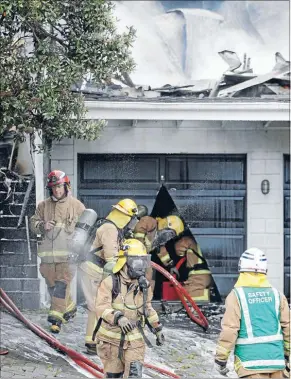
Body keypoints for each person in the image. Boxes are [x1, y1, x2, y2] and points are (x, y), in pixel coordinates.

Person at [215, 247, 290, 378]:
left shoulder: (236, 296)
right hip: (277, 362)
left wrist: (221, 359)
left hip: (249, 365)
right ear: (265, 270)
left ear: (241, 269)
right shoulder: (277, 295)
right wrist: (287, 354)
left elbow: (230, 329)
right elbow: (288, 328)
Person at [95, 238, 165, 378]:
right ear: (124, 262)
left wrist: (157, 329)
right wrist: (118, 318)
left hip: (135, 341)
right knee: (113, 376)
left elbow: (148, 309)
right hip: (111, 341)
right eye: (136, 262)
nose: (140, 268)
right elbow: (101, 307)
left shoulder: (143, 287)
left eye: (142, 262)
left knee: (134, 375)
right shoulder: (110, 282)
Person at [78, 199, 139, 355]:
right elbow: (111, 259)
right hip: (93, 269)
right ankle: (92, 342)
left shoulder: (110, 226)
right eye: (131, 219)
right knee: (96, 305)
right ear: (125, 216)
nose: (132, 223)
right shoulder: (110, 228)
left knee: (99, 305)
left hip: (94, 269)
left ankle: (96, 339)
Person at [30, 170, 85, 333]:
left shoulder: (77, 206)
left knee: (61, 286)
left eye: (60, 186)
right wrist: (42, 225)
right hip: (47, 258)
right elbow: (33, 224)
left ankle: (55, 320)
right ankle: (69, 308)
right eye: (53, 187)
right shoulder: (43, 206)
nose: (57, 190)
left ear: (66, 186)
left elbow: (85, 231)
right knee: (53, 287)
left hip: (68, 257)